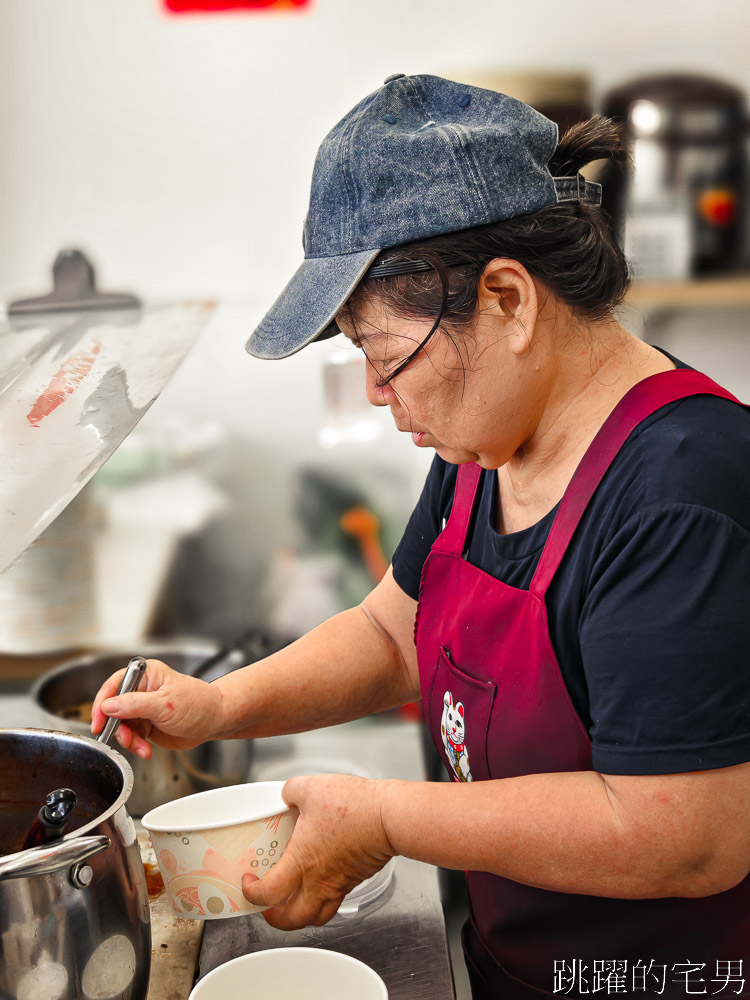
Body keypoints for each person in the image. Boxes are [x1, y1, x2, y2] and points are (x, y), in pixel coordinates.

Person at [92, 74, 750, 999]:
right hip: (513, 964)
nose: (375, 393)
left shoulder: (682, 491)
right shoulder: (489, 443)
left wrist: (386, 818)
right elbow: (391, 631)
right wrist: (220, 707)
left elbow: (682, 836)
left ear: (509, 302)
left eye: (384, 354)